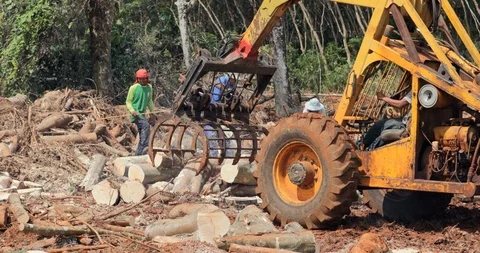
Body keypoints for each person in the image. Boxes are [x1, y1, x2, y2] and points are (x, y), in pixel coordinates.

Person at [126, 69, 155, 155]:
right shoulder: (133, 88)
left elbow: (149, 101)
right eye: (140, 79)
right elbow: (128, 101)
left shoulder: (149, 88)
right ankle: (143, 149)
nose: (142, 81)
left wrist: (152, 112)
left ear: (147, 78)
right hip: (135, 114)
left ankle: (139, 152)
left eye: (144, 79)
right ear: (137, 79)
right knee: (145, 125)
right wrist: (132, 110)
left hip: (142, 114)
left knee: (147, 128)